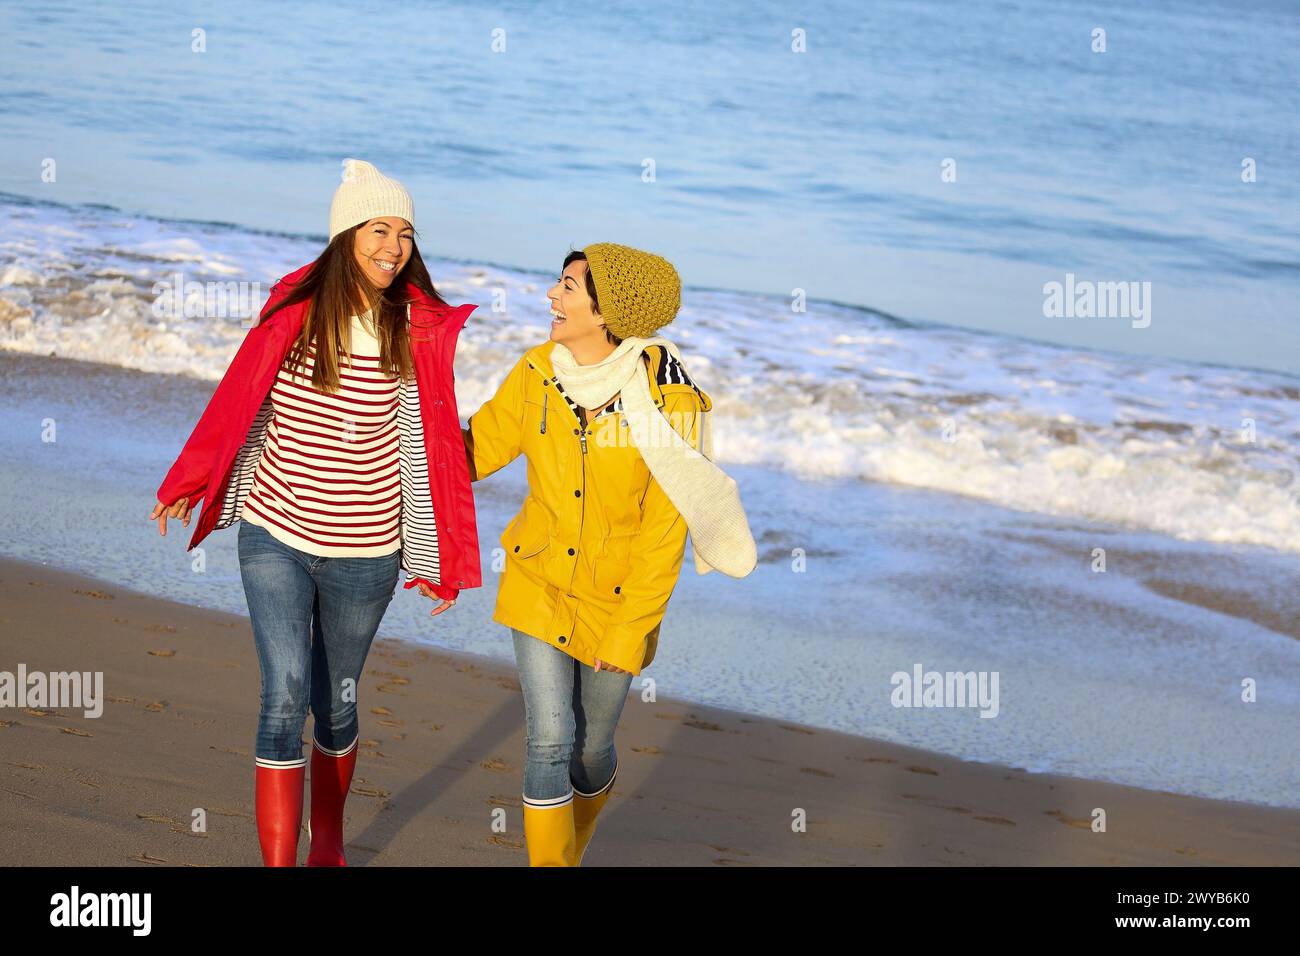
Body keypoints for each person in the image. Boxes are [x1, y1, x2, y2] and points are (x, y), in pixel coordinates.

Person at [150, 159, 481, 866]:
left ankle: (326, 839)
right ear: (345, 235)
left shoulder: (418, 329)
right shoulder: (295, 309)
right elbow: (240, 399)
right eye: (380, 229)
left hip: (367, 553)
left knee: (335, 702)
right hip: (277, 534)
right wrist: (191, 478)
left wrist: (441, 557)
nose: (394, 246)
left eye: (406, 233)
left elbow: (433, 452)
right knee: (285, 693)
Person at [463, 243, 756, 865]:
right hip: (538, 578)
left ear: (607, 312)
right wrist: (396, 422)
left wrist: (629, 634)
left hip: (618, 598)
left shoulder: (673, 401)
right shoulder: (537, 371)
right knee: (548, 737)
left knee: (590, 749)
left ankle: (572, 850)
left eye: (568, 286)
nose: (552, 296)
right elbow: (475, 451)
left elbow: (662, 537)